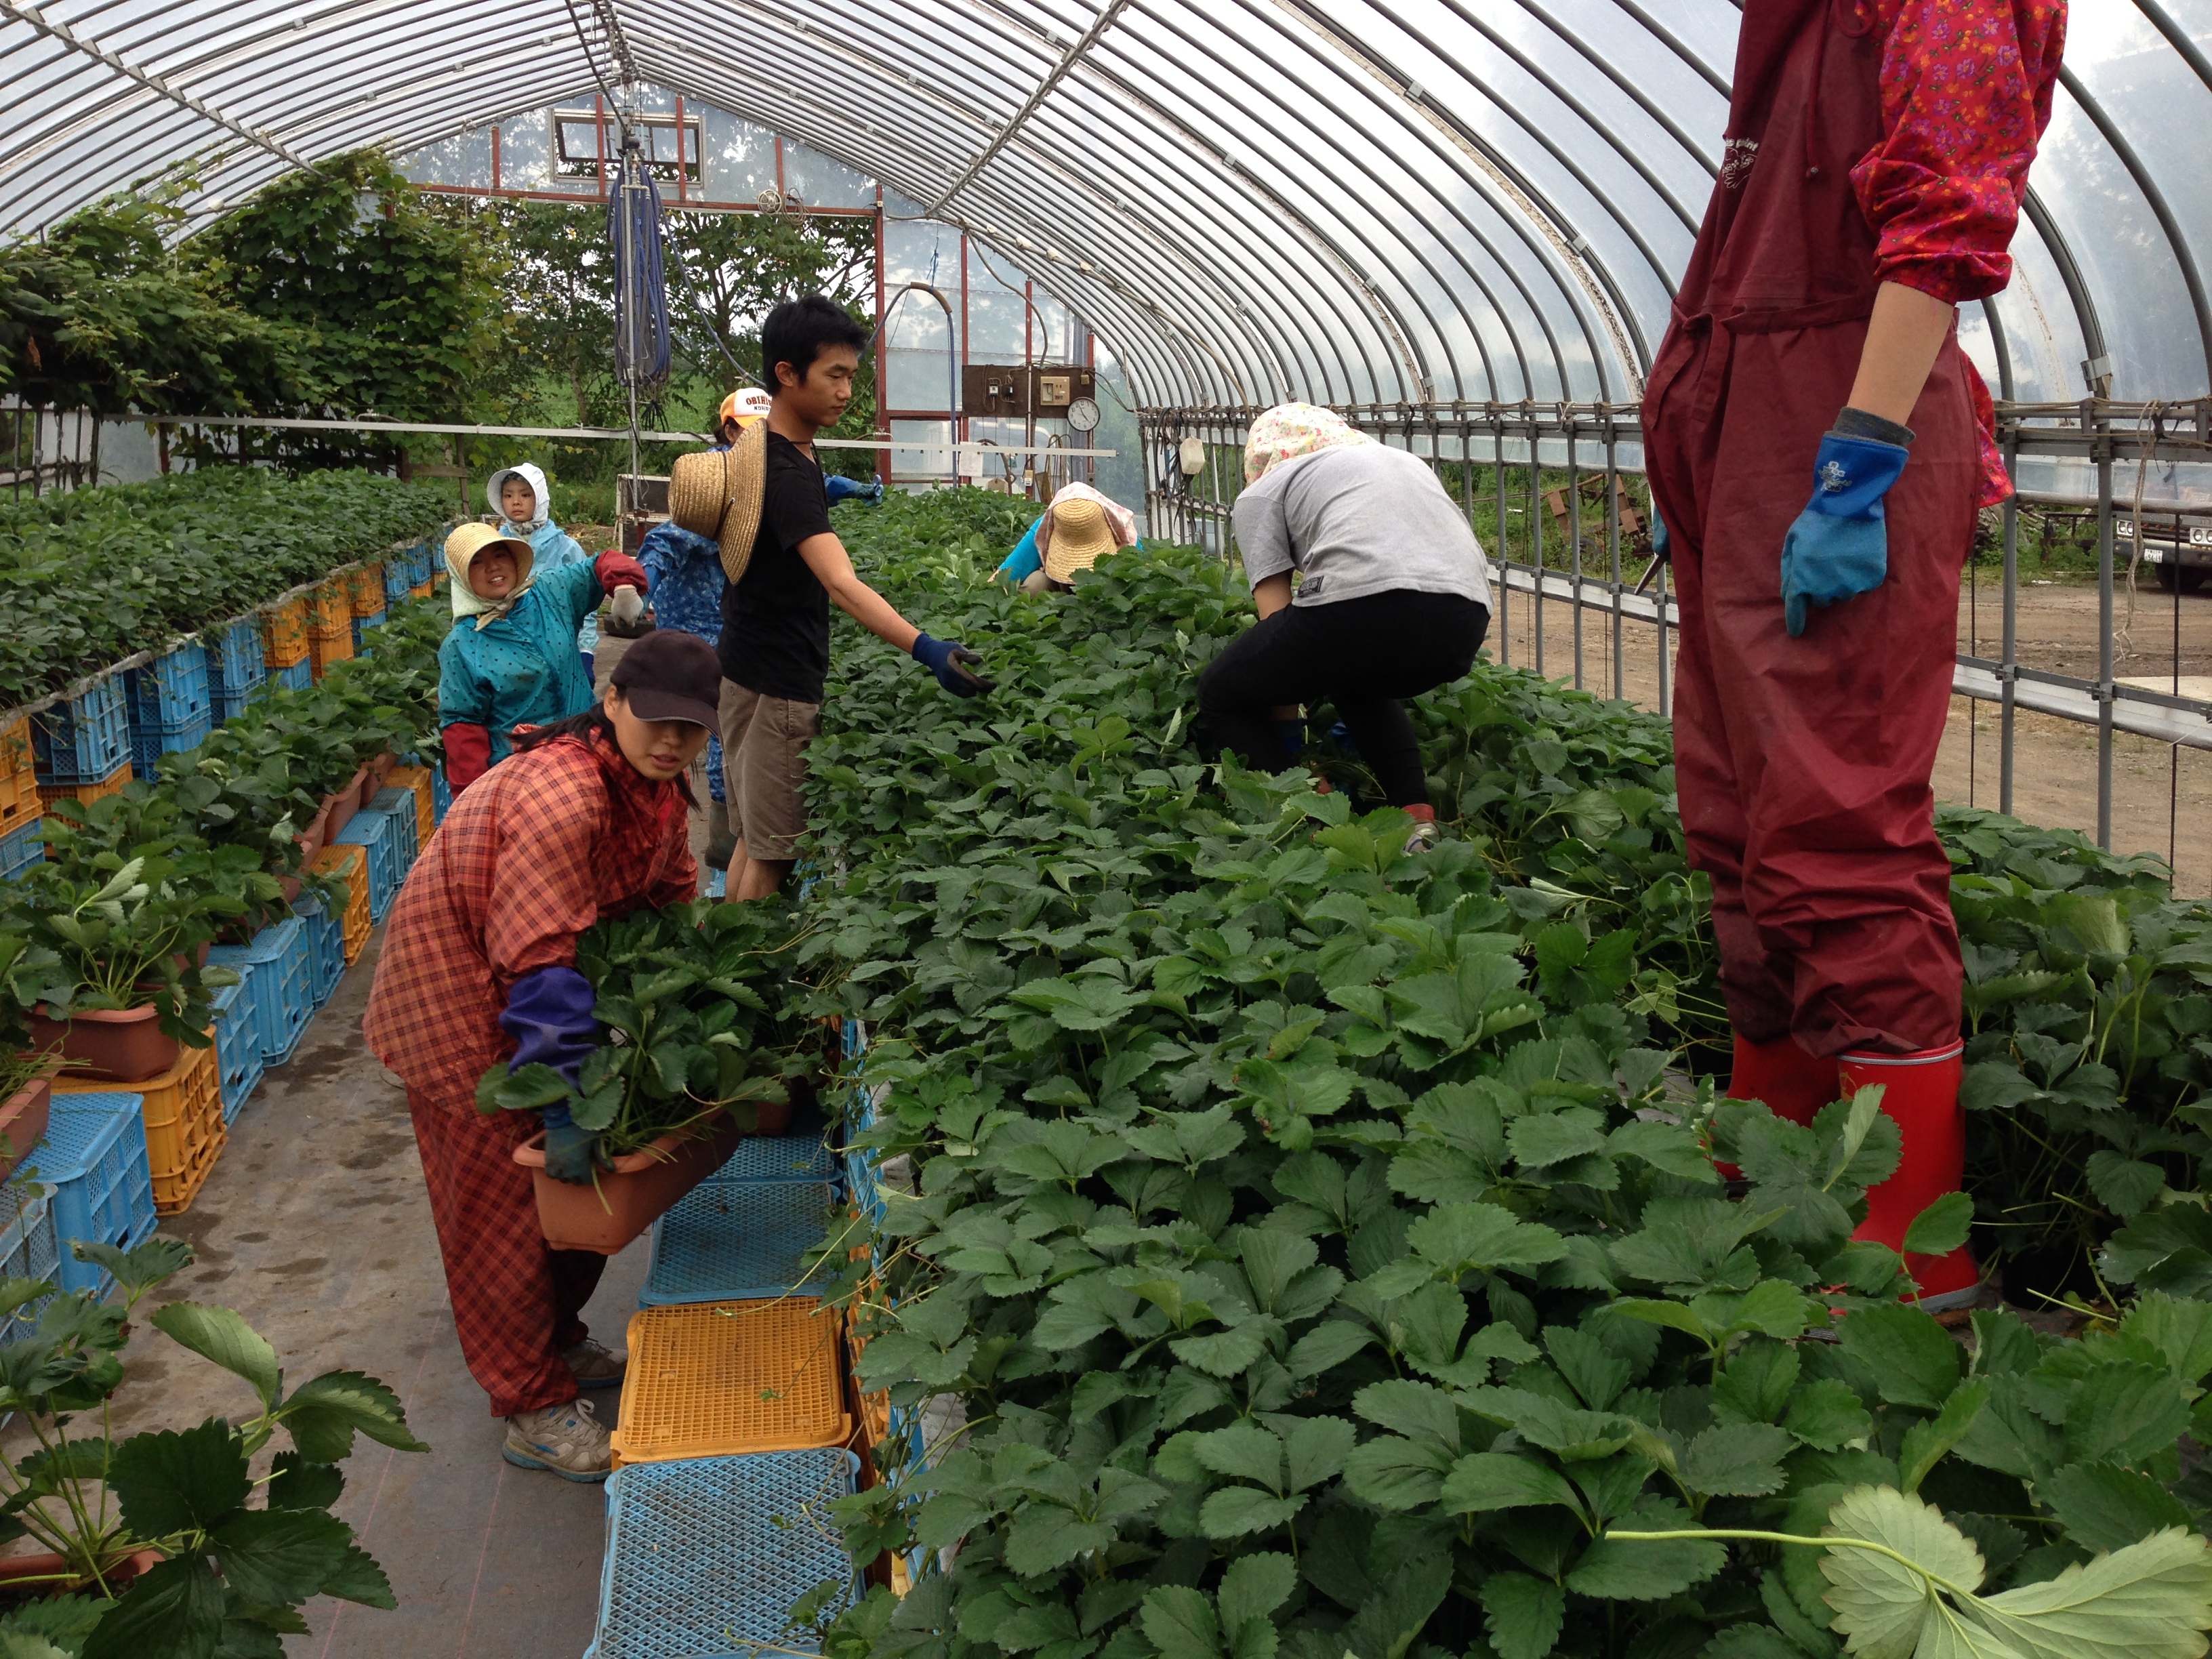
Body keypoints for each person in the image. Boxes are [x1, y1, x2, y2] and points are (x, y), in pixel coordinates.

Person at [1640, 0, 2064, 1307]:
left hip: (1832, 429)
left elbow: (1943, 221)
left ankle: (1905, 1240)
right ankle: (1771, 1153)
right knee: (1732, 808)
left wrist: (1858, 447)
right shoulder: (1793, 34)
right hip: (1747, 429)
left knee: (1837, 820)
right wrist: (1697, 445)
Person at [365, 630, 720, 1481]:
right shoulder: (560, 795)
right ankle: (529, 1404)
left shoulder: (658, 790)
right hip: (459, 1009)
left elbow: (670, 906)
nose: (671, 740)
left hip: (534, 993)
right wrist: (567, 1100)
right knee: (501, 1216)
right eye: (655, 720)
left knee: (577, 1202)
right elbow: (540, 964)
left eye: (691, 728)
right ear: (611, 702)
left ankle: (556, 1340)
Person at [718, 293, 990, 902]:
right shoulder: (788, 475)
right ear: (787, 375)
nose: (847, 391)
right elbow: (840, 583)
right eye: (834, 375)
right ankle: (751, 984)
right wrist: (926, 649)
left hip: (743, 666)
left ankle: (722, 960)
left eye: (851, 376)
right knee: (774, 856)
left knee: (750, 840)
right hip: (778, 682)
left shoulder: (765, 449)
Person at [1199, 403, 1492, 851]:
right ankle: (1417, 821)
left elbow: (1275, 619)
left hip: (1364, 607)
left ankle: (1317, 820)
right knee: (1358, 680)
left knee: (1220, 692)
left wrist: (1289, 741)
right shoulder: (1398, 461)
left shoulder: (1264, 491)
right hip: (1465, 618)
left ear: (1259, 458)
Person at [636, 389, 776, 867]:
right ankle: (714, 848)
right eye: (750, 429)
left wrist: (852, 490)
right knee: (698, 729)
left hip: (733, 623)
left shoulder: (767, 473)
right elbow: (666, 541)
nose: (760, 438)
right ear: (730, 429)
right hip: (693, 629)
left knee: (720, 731)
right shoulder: (719, 478)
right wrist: (638, 586)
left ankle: (721, 848)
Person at [438, 523, 651, 794]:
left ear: (515, 560)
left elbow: (601, 564)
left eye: (500, 555)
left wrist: (623, 586)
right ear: (462, 577)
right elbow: (463, 729)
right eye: (477, 562)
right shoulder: (463, 644)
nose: (492, 567)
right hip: (525, 781)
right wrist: (472, 800)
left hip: (588, 752)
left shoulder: (551, 592)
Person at [490, 464, 598, 678]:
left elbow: (586, 603)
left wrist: (585, 652)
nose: (516, 502)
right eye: (508, 495)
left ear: (540, 498)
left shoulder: (566, 549)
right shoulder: (493, 546)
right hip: (505, 653)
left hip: (559, 653)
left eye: (525, 494)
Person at [994, 481, 1139, 592]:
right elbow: (1000, 581)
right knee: (1036, 584)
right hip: (1060, 595)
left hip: (1106, 591)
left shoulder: (1126, 535)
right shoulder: (1044, 529)